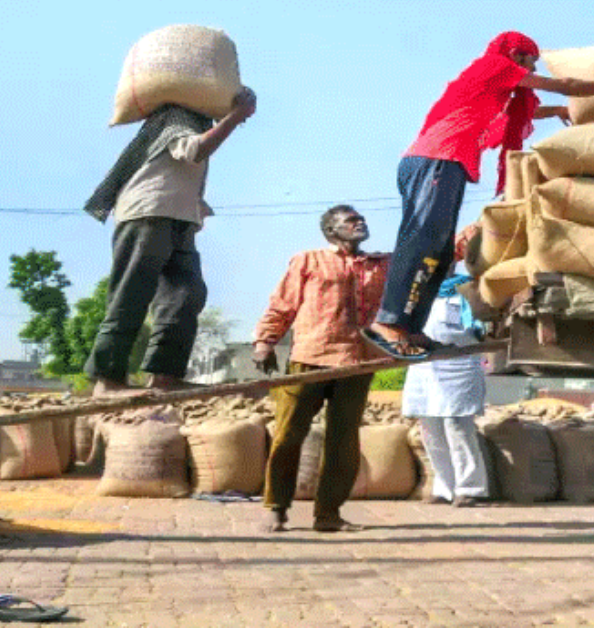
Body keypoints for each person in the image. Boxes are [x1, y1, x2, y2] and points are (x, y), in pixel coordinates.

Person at [366, 31, 594, 361]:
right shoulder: (494, 65)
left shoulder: (494, 90)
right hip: (437, 158)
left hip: (449, 163)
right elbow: (566, 84)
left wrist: (558, 110)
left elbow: (513, 118)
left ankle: (412, 328)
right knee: (421, 241)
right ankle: (388, 322)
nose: (530, 70)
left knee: (441, 252)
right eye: (530, 61)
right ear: (516, 55)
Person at [83, 89, 257, 396]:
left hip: (179, 220)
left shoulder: (199, 120)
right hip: (148, 212)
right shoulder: (174, 116)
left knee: (186, 294)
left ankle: (165, 376)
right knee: (132, 293)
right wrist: (235, 116)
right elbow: (194, 151)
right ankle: (107, 379)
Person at [251, 205, 389, 533]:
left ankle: (328, 514)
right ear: (331, 230)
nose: (360, 224)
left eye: (362, 220)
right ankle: (276, 507)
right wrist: (265, 342)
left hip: (357, 361)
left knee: (343, 441)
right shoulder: (308, 260)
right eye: (350, 221)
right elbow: (283, 303)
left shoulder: (381, 264)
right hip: (309, 358)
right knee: (287, 436)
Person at [401, 273, 489, 507]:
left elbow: (486, 322)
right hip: (424, 368)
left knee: (457, 427)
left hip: (458, 365)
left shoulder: (469, 287)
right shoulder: (416, 291)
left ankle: (470, 489)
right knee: (430, 430)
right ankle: (444, 488)